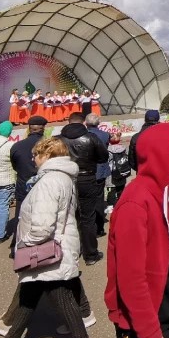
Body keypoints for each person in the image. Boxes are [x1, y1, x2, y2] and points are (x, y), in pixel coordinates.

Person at [0, 137, 92, 338]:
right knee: (30, 296)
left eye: (36, 154)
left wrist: (27, 244)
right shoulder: (62, 177)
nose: (33, 158)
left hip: (46, 247)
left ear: (47, 155)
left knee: (59, 295)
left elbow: (42, 224)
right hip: (57, 244)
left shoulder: (49, 181)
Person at [105, 123, 169, 338]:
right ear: (160, 154)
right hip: (148, 322)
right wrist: (150, 336)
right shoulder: (135, 203)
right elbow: (130, 277)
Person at [57, 113, 108, 265]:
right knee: (88, 217)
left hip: (65, 179)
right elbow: (103, 157)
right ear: (83, 122)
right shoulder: (91, 138)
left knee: (65, 216)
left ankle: (67, 253)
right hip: (87, 179)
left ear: (68, 121)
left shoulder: (58, 139)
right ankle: (90, 254)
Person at [8, 116, 47, 254]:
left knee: (20, 216)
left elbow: (15, 165)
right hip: (43, 186)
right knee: (44, 216)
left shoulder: (17, 146)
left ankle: (16, 247)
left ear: (29, 129)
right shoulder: (48, 146)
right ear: (43, 129)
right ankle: (42, 247)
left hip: (23, 184)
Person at [85, 114, 110, 237]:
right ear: (98, 123)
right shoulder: (104, 135)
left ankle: (88, 226)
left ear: (86, 123)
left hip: (86, 172)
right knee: (99, 199)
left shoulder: (83, 136)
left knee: (86, 199)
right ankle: (99, 227)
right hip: (100, 171)